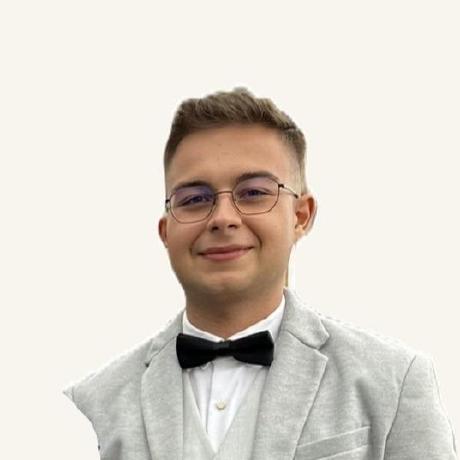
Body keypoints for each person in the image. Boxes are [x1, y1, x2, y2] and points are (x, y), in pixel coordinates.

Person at [63, 87, 457, 459]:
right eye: (195, 199)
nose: (222, 218)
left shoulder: (394, 382)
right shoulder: (92, 405)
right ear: (166, 231)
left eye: (253, 192)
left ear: (300, 216)